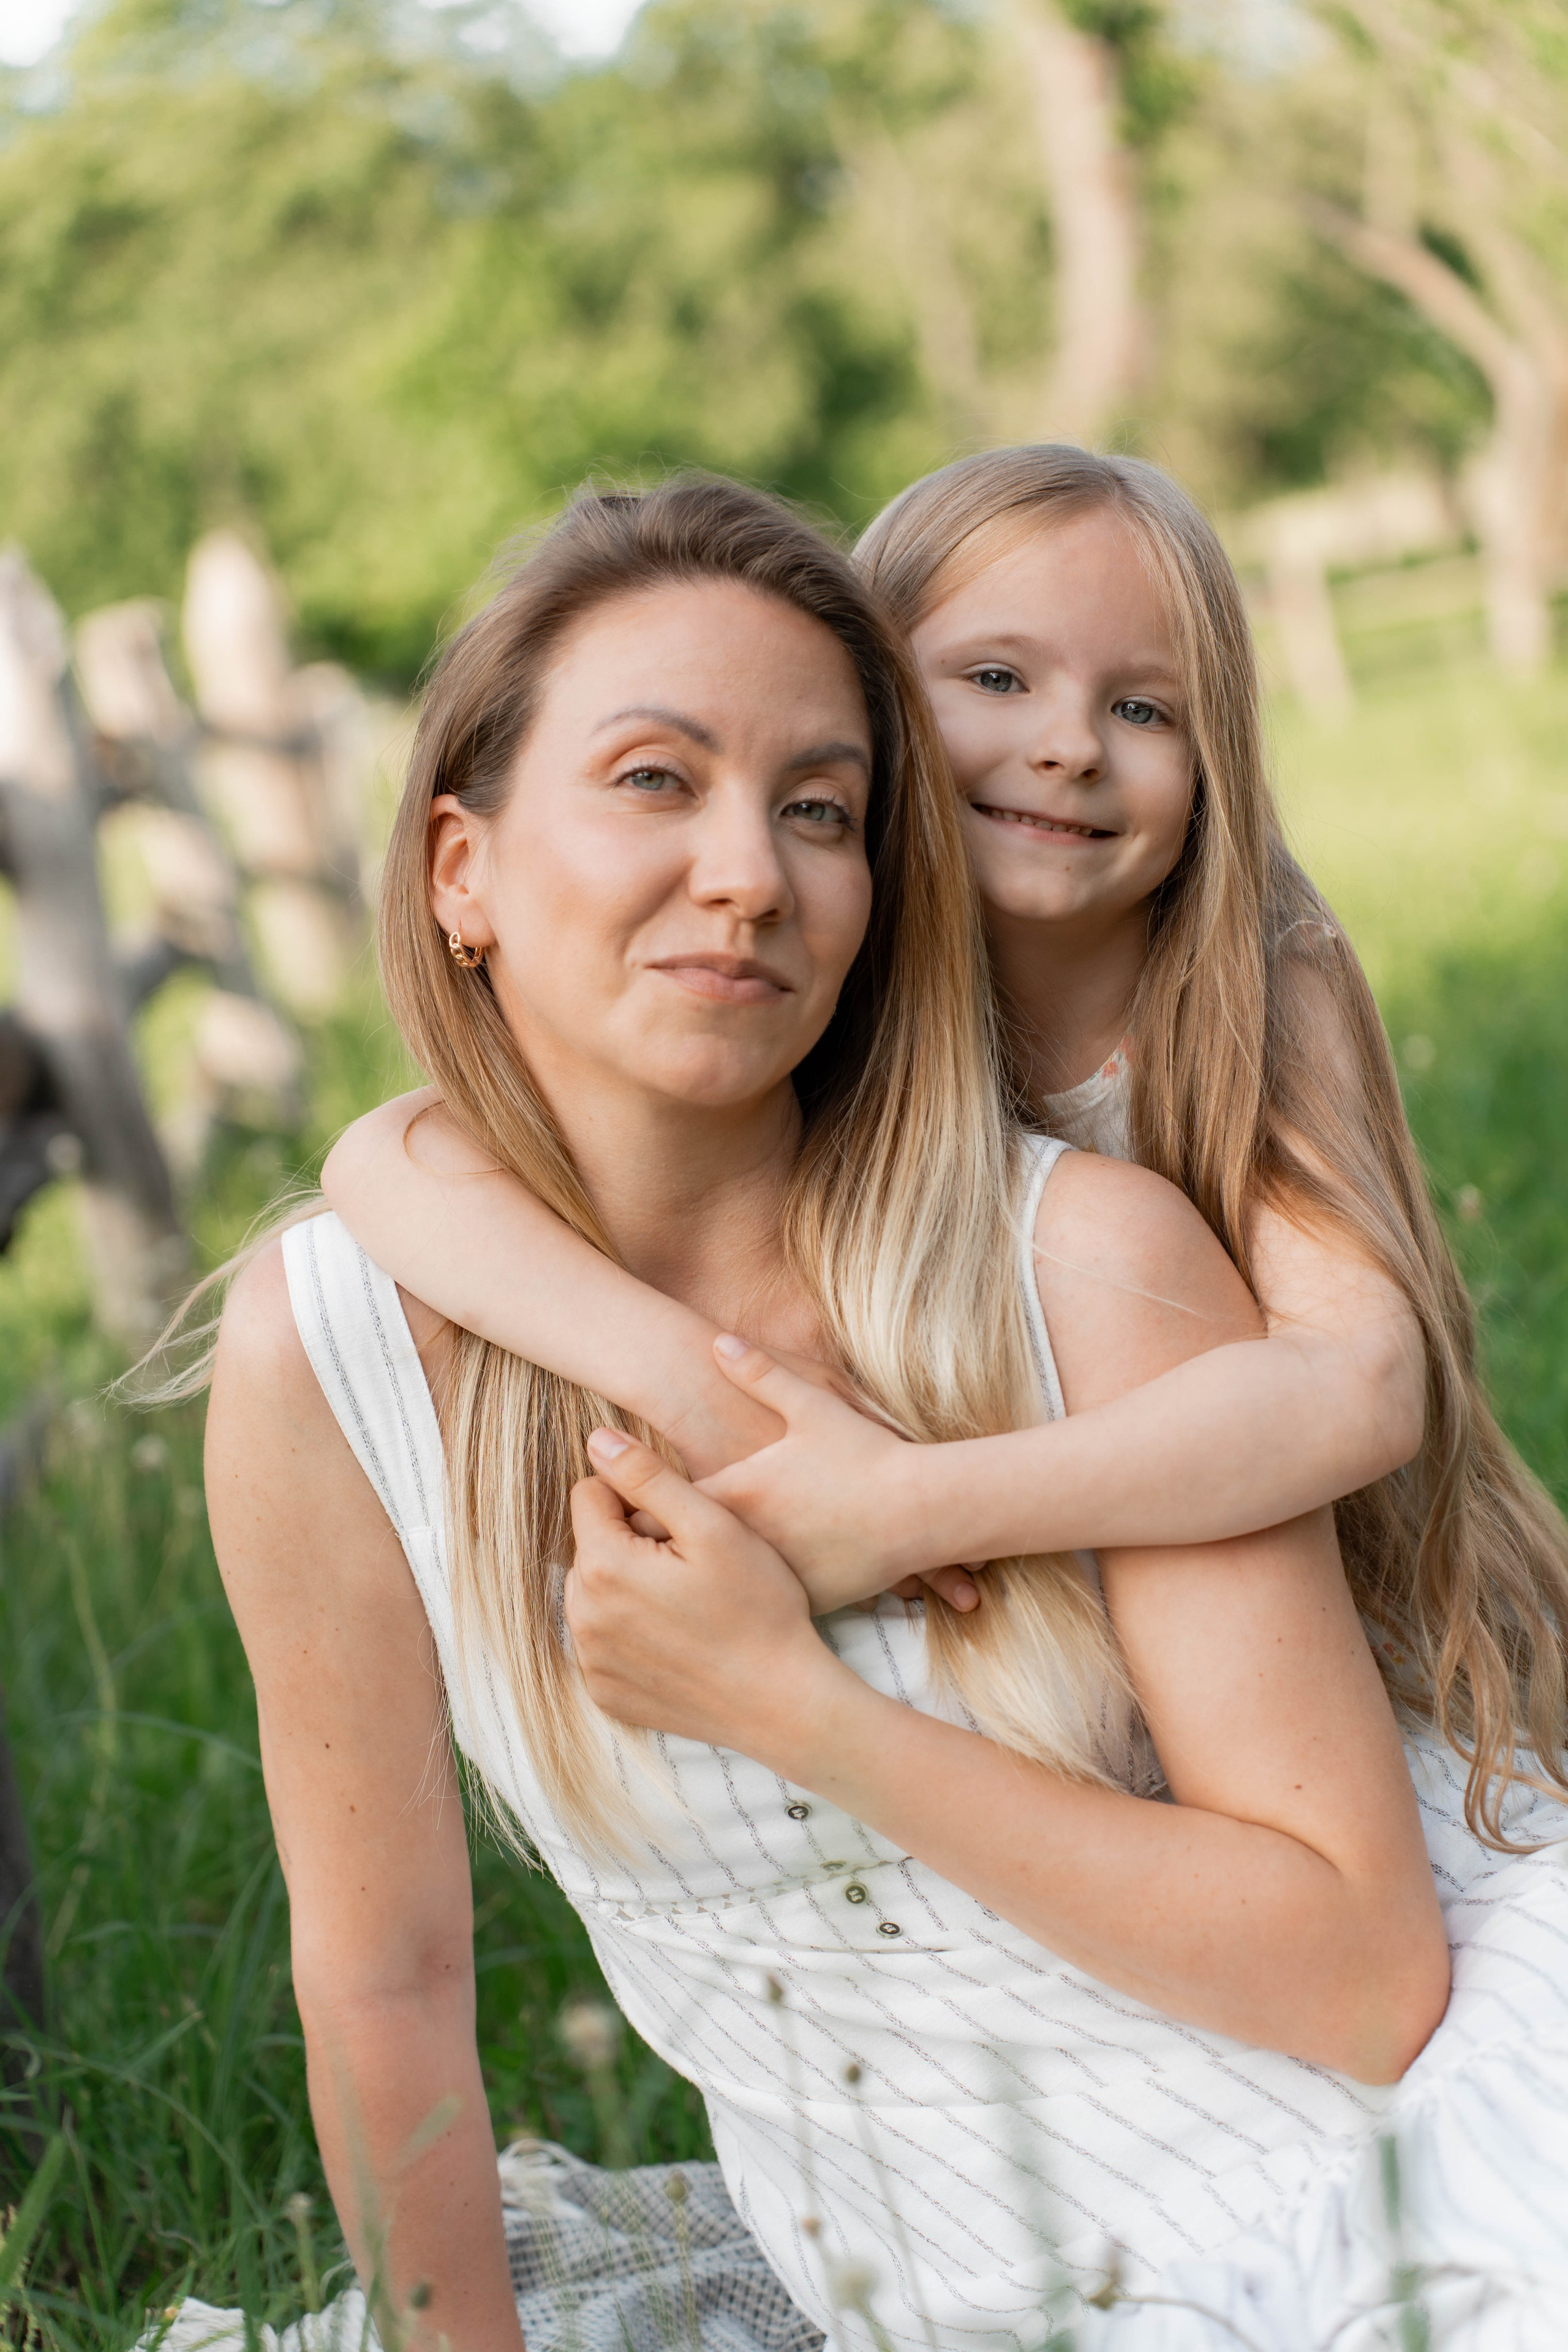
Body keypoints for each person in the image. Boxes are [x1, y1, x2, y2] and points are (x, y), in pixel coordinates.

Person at [188, 477, 1568, 2352]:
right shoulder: (334, 1342)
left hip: (1352, 2166)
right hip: (935, 2288)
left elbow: (1362, 1966)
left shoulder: (1103, 1234)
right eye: (654, 780)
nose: (749, 872)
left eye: (819, 809)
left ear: (878, 878)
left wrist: (800, 1705)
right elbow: (388, 1979)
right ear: (460, 869)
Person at [322, 447, 1568, 1847]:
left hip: (1349, 1659)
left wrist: (910, 1507)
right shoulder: (800, 949)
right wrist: (679, 1378)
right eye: (992, 680)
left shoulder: (1252, 982)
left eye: (1144, 706)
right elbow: (380, 1165)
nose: (1069, 743)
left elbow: (1359, 1385)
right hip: (1060, 1699)